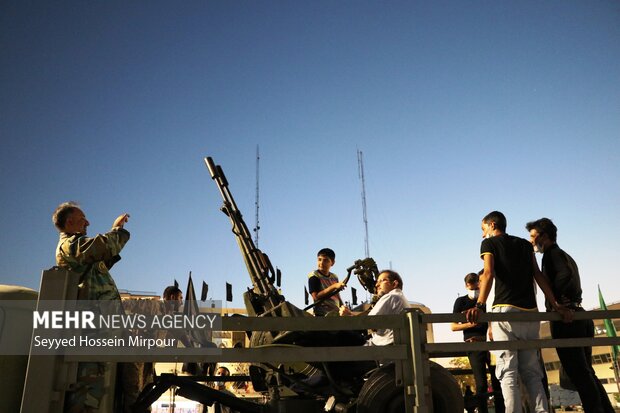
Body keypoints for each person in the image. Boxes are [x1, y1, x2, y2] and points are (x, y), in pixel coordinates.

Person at [465, 211, 571, 413]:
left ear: (493, 225)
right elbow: (537, 275)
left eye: (483, 228)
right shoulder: (524, 244)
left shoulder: (489, 244)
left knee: (508, 372)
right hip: (530, 312)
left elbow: (487, 273)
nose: (482, 234)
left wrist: (479, 305)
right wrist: (555, 303)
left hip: (504, 312)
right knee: (532, 371)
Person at [526, 218, 615, 413]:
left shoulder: (550, 255)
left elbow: (564, 275)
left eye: (533, 237)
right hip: (580, 315)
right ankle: (604, 410)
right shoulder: (564, 254)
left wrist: (558, 302)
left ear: (544, 236)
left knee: (578, 373)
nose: (531, 241)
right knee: (586, 372)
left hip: (567, 319)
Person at [52, 201, 130, 413]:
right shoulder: (69, 245)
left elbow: (101, 262)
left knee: (94, 395)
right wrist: (117, 231)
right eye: (82, 218)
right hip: (90, 333)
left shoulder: (79, 251)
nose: (88, 222)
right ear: (69, 222)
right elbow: (101, 247)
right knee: (85, 397)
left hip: (100, 332)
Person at [452, 272, 505, 413]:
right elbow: (453, 326)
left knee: (498, 381)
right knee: (481, 384)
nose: (475, 290)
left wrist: (491, 328)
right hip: (472, 344)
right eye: (471, 287)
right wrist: (471, 324)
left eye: (477, 286)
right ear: (466, 286)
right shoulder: (461, 302)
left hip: (489, 344)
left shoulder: (485, 299)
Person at [340, 269, 409, 346]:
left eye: (381, 281)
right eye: (377, 282)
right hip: (389, 346)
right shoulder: (400, 298)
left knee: (337, 334)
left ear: (394, 284)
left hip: (378, 347)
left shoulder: (391, 297)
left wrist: (348, 315)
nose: (377, 285)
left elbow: (368, 323)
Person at [308, 248, 345, 316]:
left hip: (336, 313)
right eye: (319, 259)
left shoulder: (334, 277)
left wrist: (343, 307)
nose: (321, 263)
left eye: (325, 260)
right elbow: (316, 297)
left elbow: (337, 296)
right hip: (322, 315)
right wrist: (334, 286)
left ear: (332, 263)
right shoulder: (314, 275)